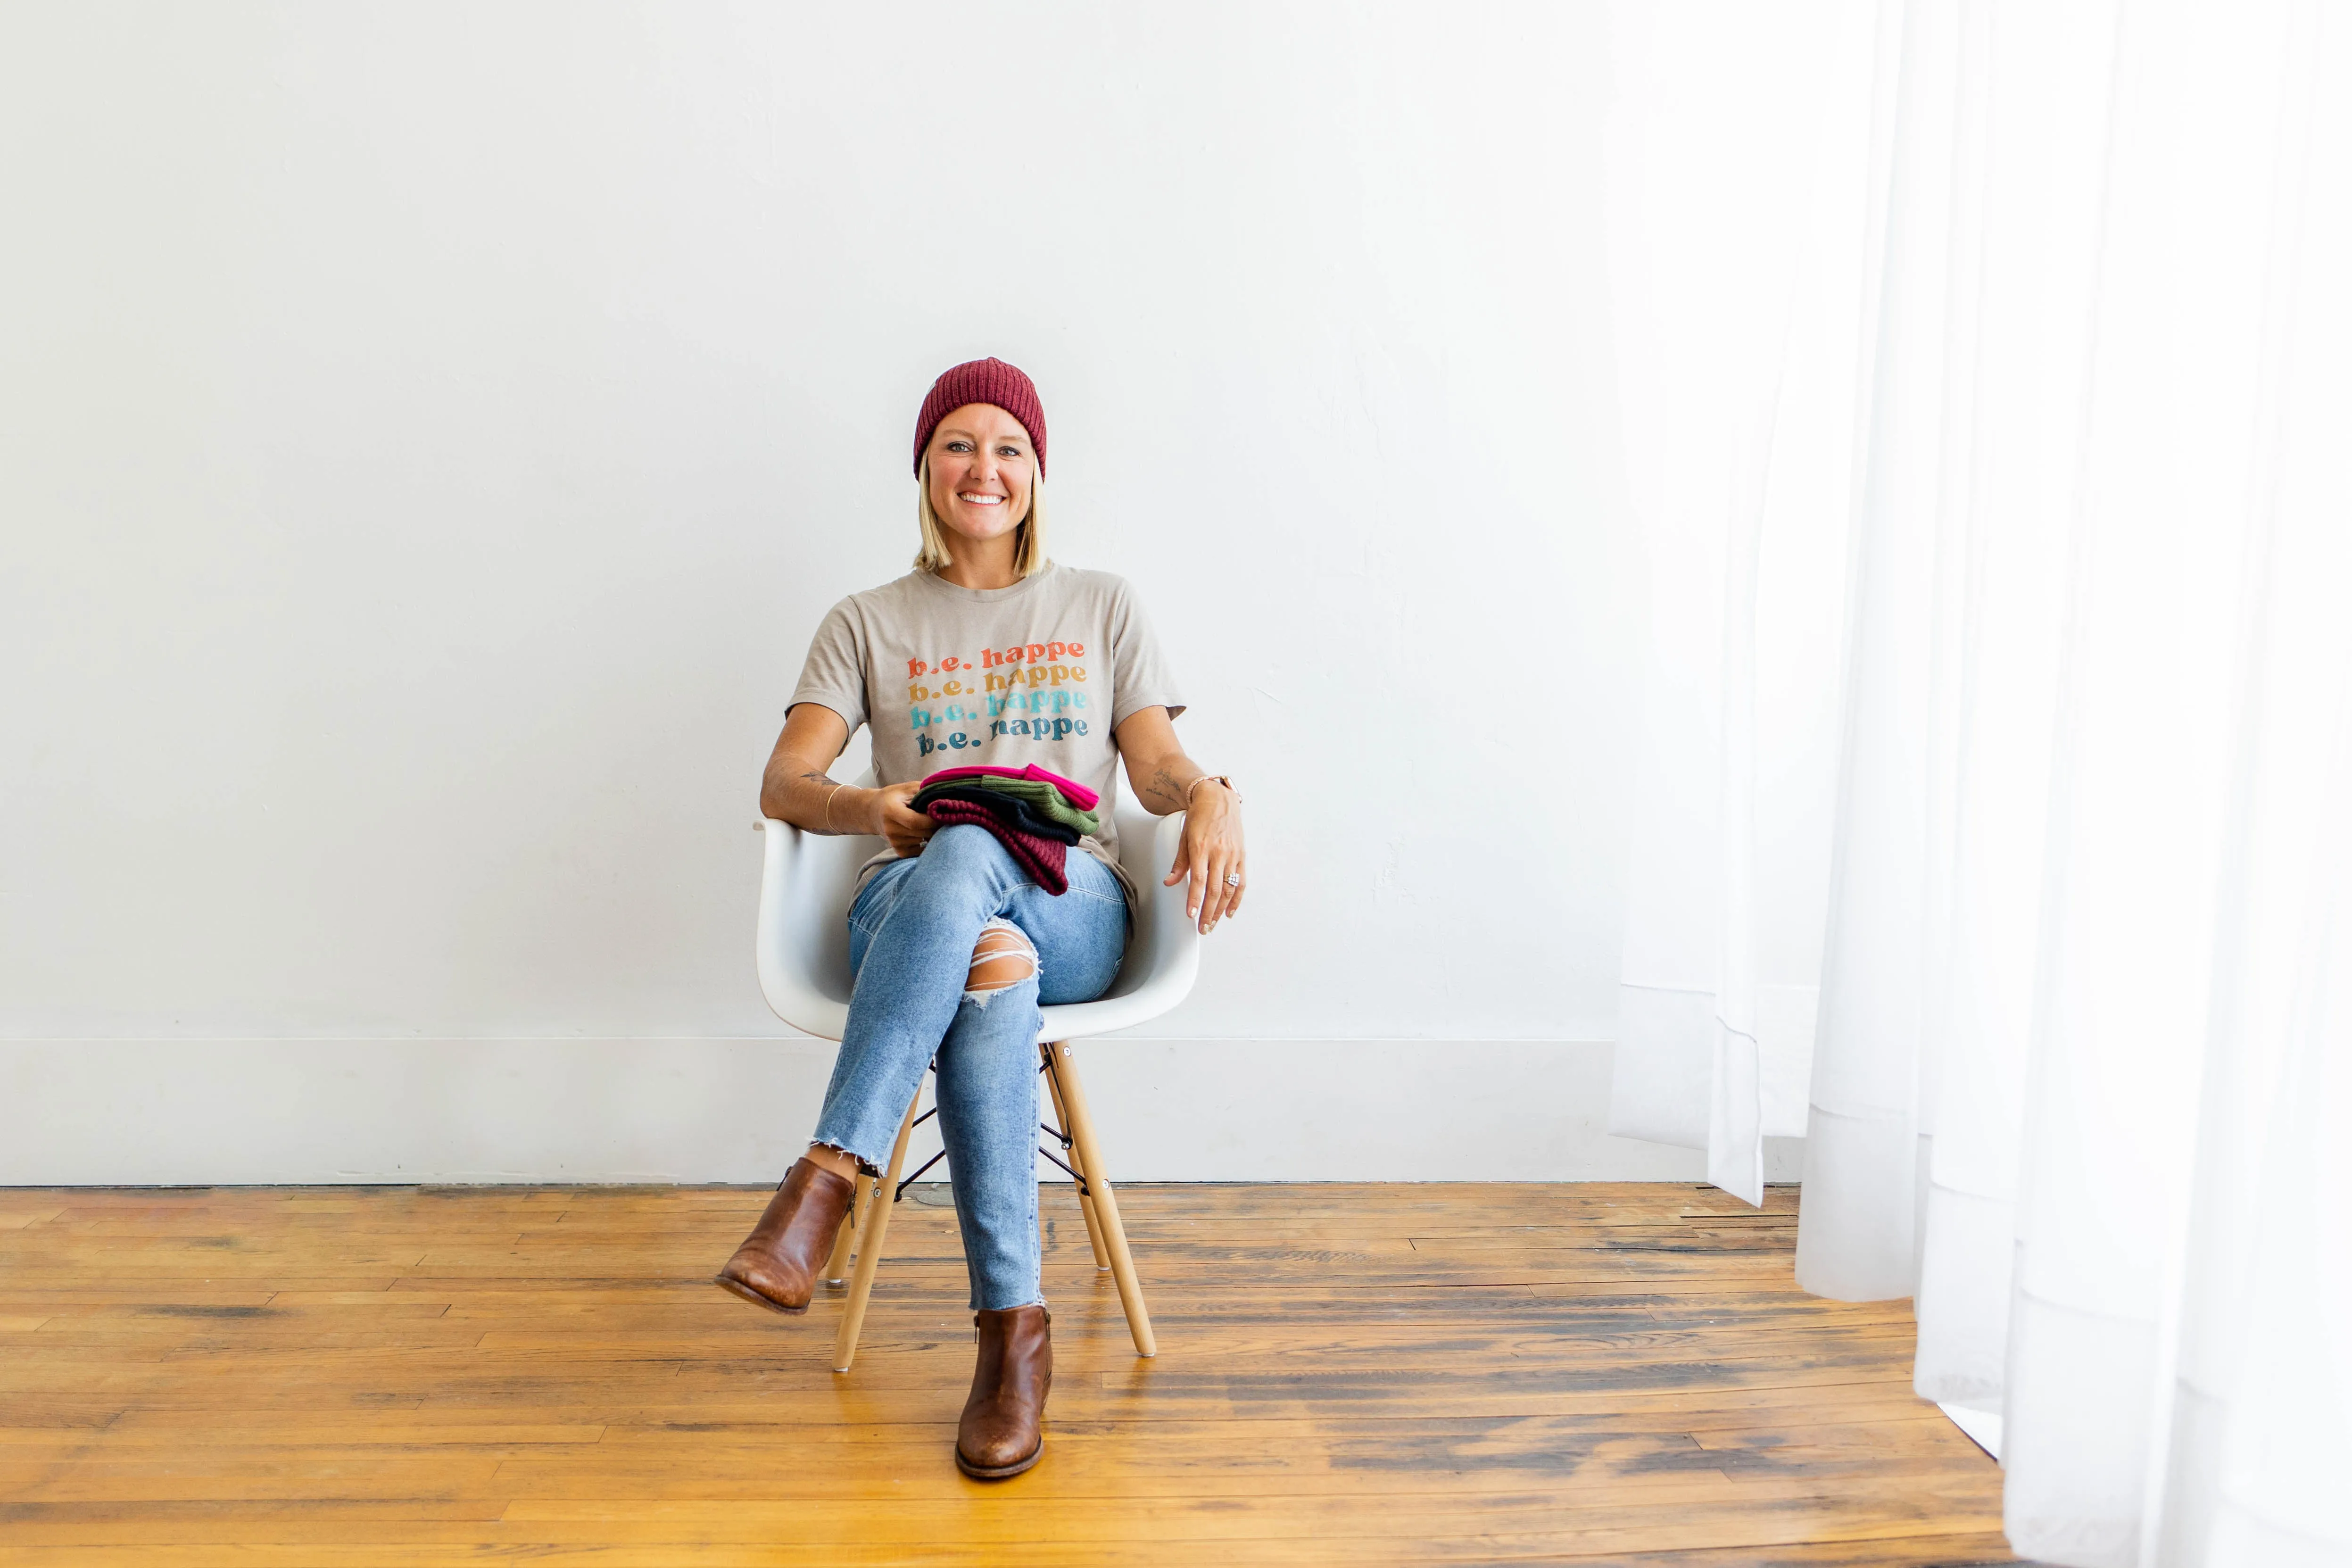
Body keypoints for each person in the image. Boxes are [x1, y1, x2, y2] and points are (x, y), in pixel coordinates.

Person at [714, 357, 1246, 1480]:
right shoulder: (866, 621)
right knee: (978, 931)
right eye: (958, 443)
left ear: (1036, 473)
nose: (983, 468)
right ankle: (1013, 1347)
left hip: (1076, 905)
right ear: (925, 468)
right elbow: (783, 782)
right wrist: (868, 806)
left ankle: (825, 1182)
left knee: (988, 864)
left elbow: (1152, 769)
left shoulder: (1101, 603)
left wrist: (1211, 794)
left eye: (1008, 447)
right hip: (915, 905)